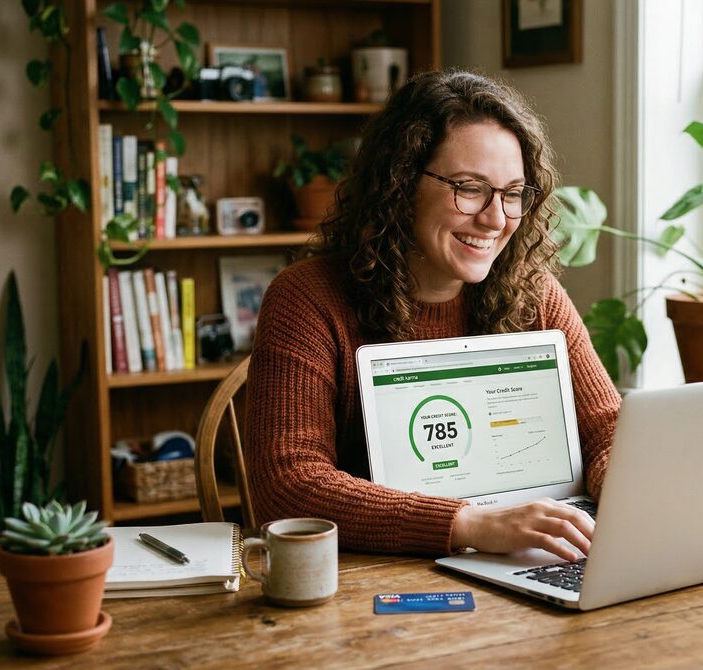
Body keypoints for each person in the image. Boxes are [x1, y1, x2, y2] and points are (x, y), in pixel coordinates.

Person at [245, 70, 620, 562]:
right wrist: (472, 525)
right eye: (469, 188)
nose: (496, 218)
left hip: (528, 559)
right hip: (371, 586)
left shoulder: (535, 295)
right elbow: (289, 484)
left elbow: (607, 426)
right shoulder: (308, 300)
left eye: (513, 193)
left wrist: (620, 481)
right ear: (398, 184)